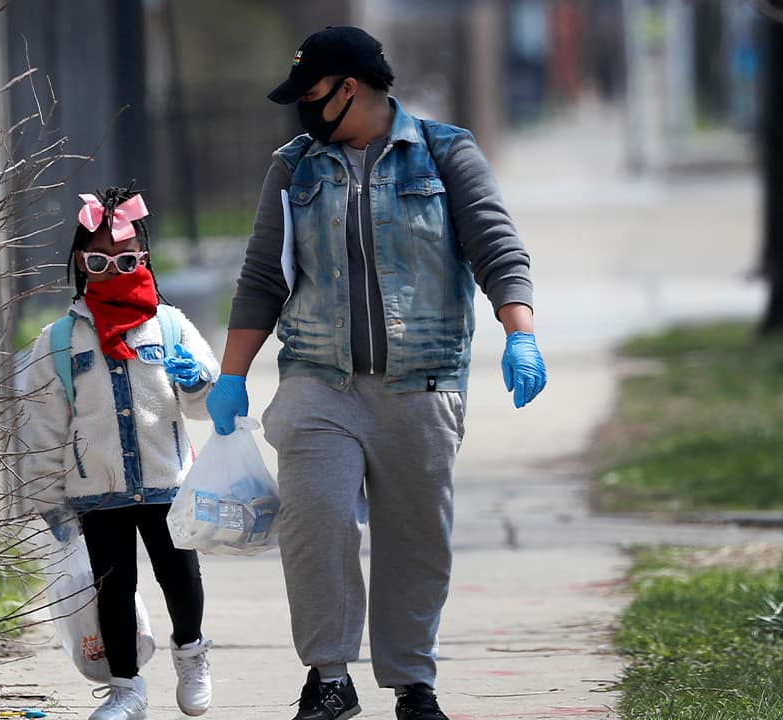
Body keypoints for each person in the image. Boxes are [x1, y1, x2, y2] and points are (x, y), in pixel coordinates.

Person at [205, 27, 548, 720]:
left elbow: (495, 245)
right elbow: (262, 279)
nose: (302, 107)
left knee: (416, 539)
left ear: (348, 88)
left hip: (420, 381)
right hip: (316, 380)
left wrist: (522, 336)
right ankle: (329, 677)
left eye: (310, 92)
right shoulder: (294, 168)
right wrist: (233, 375)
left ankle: (413, 684)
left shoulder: (446, 153)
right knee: (317, 520)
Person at [19, 186, 219, 720]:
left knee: (181, 578)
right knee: (112, 589)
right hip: (96, 488)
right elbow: (40, 426)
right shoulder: (59, 340)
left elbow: (205, 403)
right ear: (82, 263)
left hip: (166, 481)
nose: (113, 271)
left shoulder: (171, 325)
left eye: (126, 260)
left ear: (144, 260)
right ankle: (126, 688)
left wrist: (197, 381)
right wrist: (49, 499)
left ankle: (192, 653)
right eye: (101, 261)